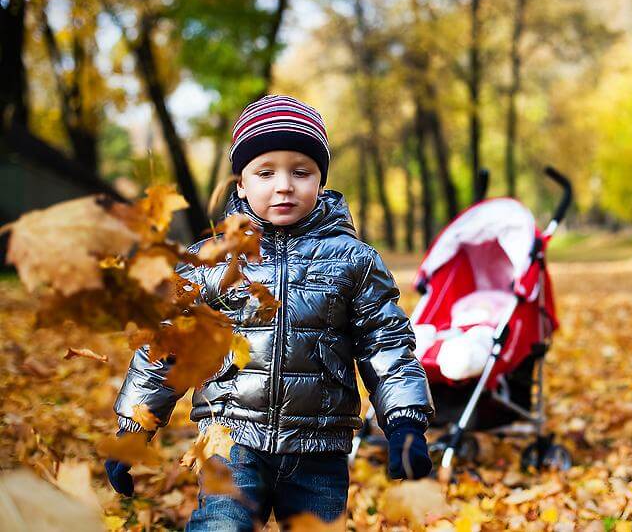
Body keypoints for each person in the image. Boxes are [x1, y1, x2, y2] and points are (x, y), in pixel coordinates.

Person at [105, 95, 434, 530]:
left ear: (320, 179)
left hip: (319, 448)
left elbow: (385, 341)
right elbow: (168, 346)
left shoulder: (353, 260)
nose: (284, 185)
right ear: (241, 183)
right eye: (265, 172)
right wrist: (135, 424)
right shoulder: (211, 262)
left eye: (301, 171)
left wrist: (404, 421)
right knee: (221, 525)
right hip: (231, 440)